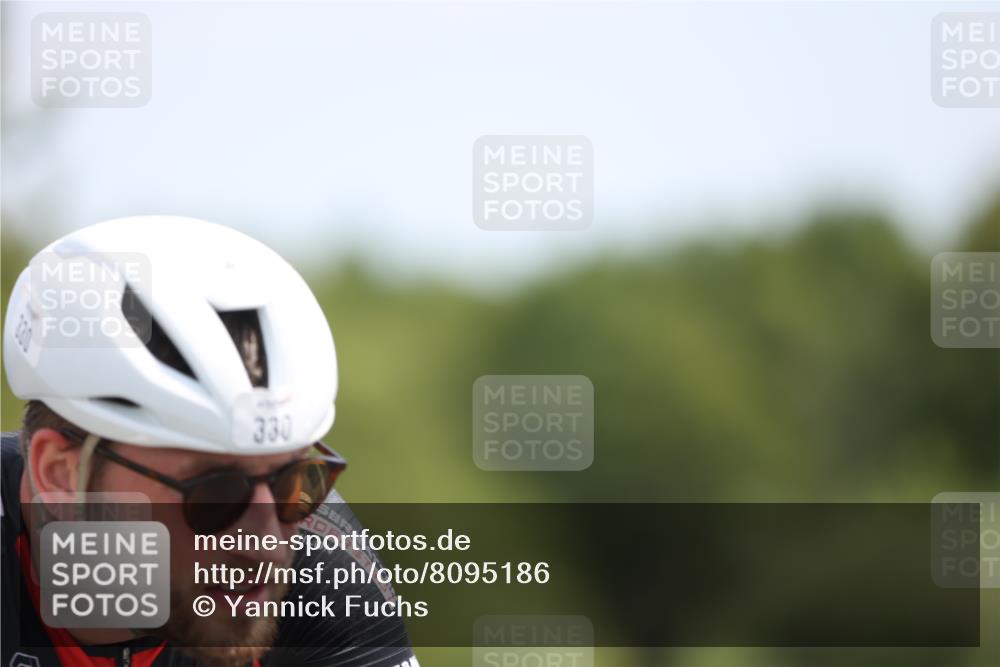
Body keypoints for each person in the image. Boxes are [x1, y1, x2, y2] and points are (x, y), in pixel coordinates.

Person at [1, 216, 420, 667]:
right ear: (62, 475)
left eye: (292, 482)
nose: (266, 544)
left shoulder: (324, 572)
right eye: (214, 493)